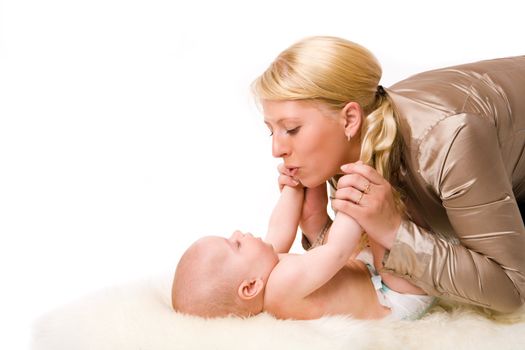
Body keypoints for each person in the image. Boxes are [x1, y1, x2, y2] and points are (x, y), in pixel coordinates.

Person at [251, 35, 525, 313]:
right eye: (271, 130)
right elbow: (366, 272)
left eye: (292, 129)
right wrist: (318, 226)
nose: (277, 149)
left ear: (349, 119)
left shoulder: (450, 138)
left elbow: (513, 290)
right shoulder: (349, 144)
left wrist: (394, 230)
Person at [171, 180, 435, 320]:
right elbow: (337, 252)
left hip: (366, 274)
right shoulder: (282, 286)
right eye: (235, 244)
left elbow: (280, 229)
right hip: (394, 298)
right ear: (250, 287)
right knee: (379, 224)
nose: (238, 233)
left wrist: (293, 187)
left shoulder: (266, 274)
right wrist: (353, 202)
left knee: (310, 215)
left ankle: (315, 189)